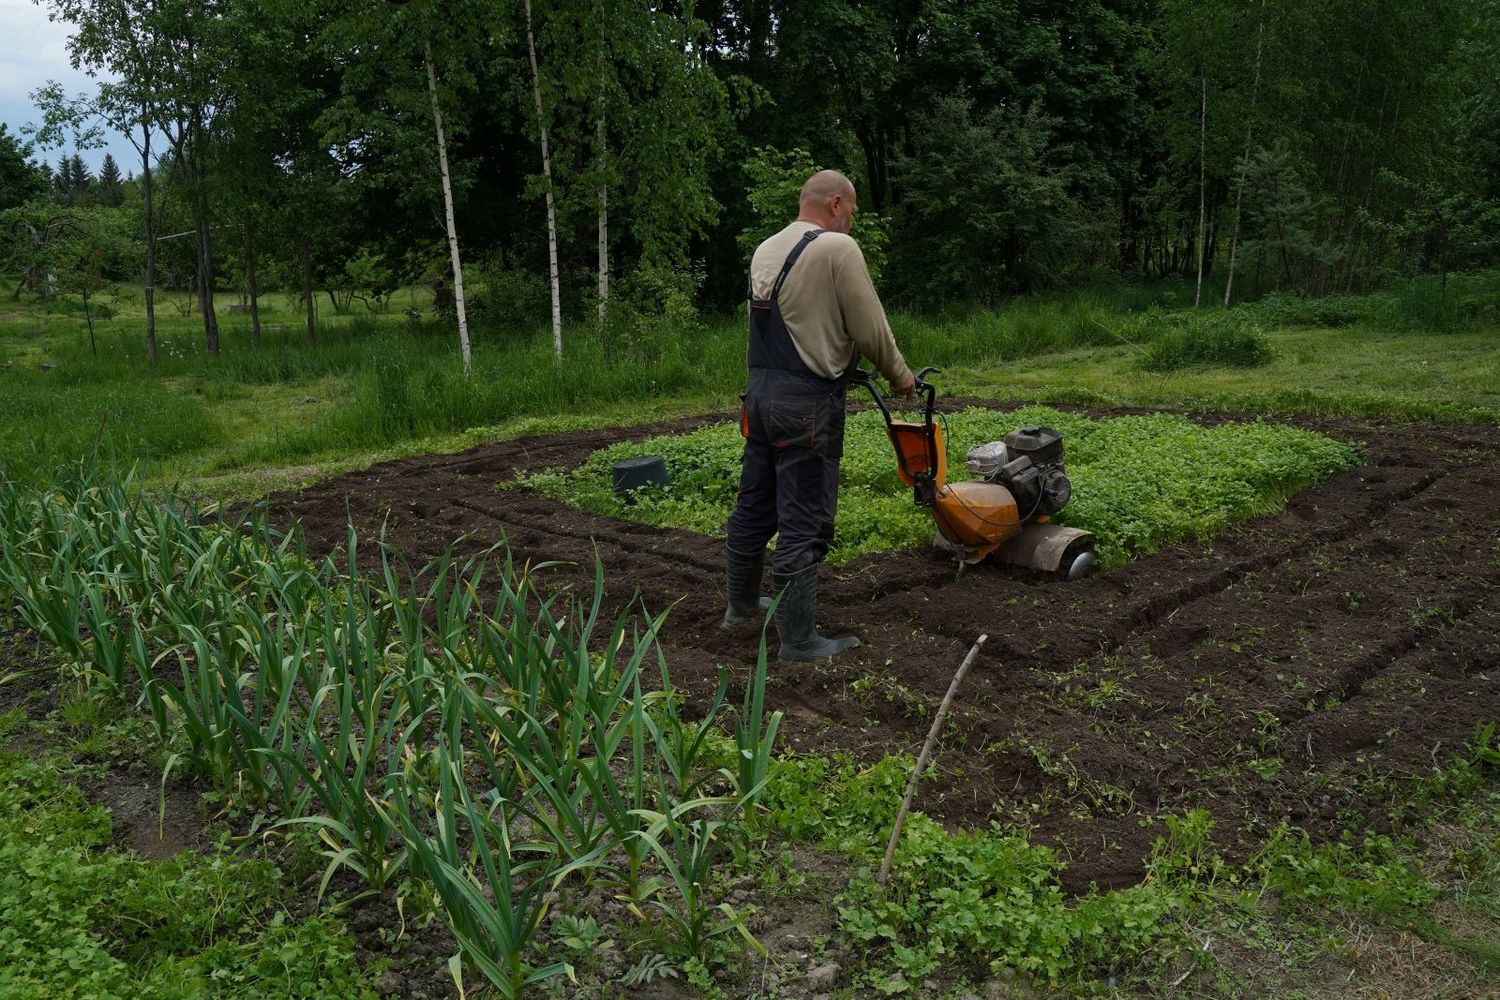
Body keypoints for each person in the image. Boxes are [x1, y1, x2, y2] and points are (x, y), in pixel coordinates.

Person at [723, 169, 915, 662]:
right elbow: (869, 326)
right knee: (803, 519)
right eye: (851, 210)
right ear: (834, 203)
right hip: (806, 403)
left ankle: (742, 607)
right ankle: (800, 641)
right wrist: (900, 375)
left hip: (761, 397)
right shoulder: (836, 249)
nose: (852, 219)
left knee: (755, 505)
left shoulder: (765, 248)